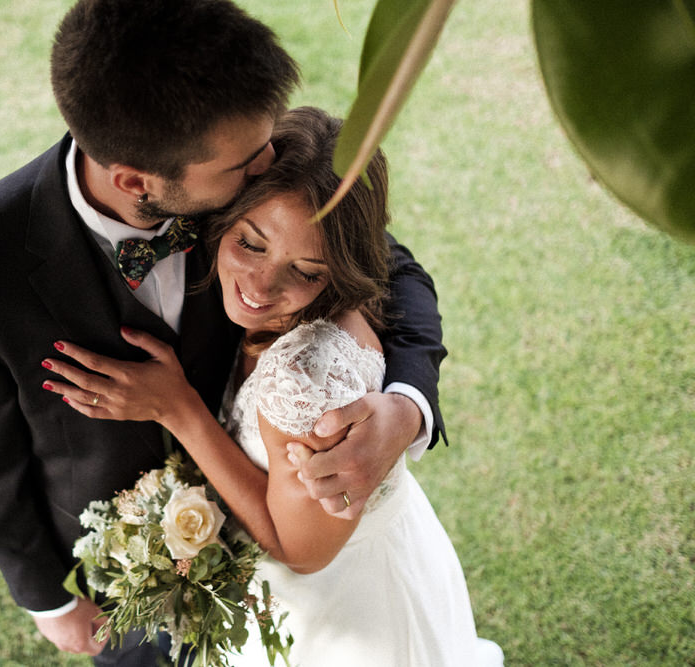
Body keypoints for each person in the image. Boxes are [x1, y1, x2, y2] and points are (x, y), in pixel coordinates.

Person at [0, 0, 446, 663]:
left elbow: (389, 267)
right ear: (137, 181)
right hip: (126, 575)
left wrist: (407, 404)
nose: (265, 169)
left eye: (267, 150)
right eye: (246, 166)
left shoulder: (247, 161)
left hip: (276, 553)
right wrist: (47, 600)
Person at [44, 107, 503, 666]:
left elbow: (302, 553)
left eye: (307, 271)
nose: (260, 287)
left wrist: (178, 408)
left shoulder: (303, 379)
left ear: (341, 267)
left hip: (336, 614)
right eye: (251, 244)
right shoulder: (270, 226)